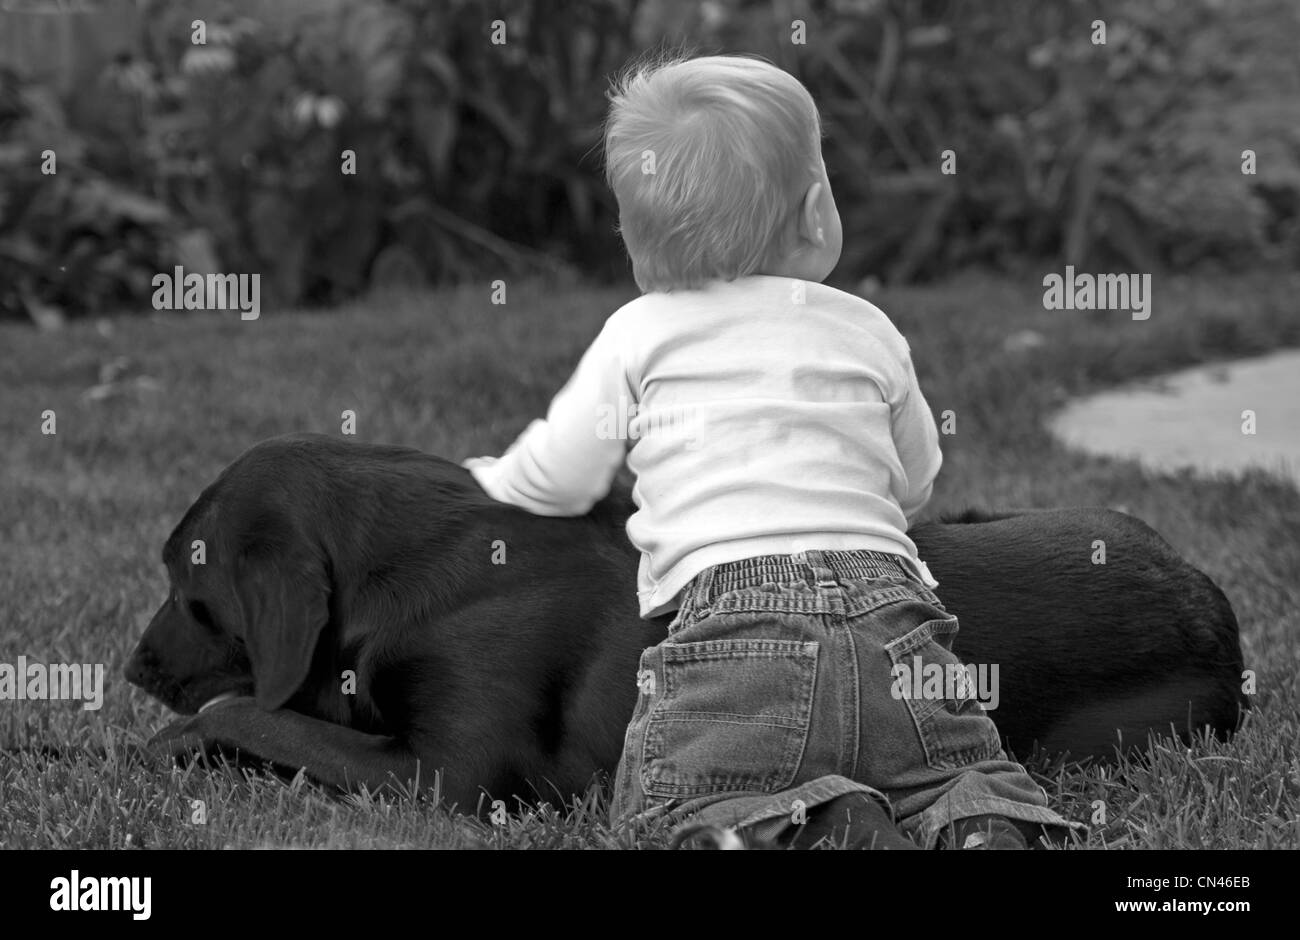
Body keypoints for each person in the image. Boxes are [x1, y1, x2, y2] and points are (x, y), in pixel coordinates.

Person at [464, 54, 1078, 849]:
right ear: (817, 211)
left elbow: (563, 475)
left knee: (672, 812)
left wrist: (492, 477)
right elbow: (916, 479)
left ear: (633, 233)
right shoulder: (866, 327)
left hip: (733, 632)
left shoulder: (639, 333)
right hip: (895, 620)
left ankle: (823, 826)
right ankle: (980, 820)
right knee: (952, 772)